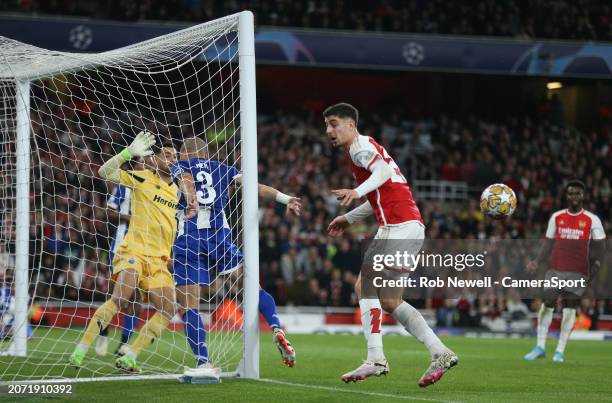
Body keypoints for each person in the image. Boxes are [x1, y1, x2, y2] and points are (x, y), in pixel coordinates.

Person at [324, 103, 457, 387]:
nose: (329, 131)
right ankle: (440, 351)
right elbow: (382, 195)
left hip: (397, 228)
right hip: (409, 227)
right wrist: (348, 217)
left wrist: (356, 191)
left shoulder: (360, 149)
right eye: (327, 126)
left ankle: (375, 359)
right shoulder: (366, 147)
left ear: (351, 124)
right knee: (389, 300)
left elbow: (382, 174)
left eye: (334, 124)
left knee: (364, 286)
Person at [171, 137, 301, 378]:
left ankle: (204, 363)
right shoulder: (222, 168)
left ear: (185, 154)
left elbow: (186, 181)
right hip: (221, 239)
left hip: (189, 239)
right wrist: (285, 199)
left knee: (188, 305)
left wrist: (191, 199)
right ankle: (275, 325)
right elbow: (256, 187)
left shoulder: (180, 166)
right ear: (205, 154)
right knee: (252, 289)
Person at [69, 131, 193, 372]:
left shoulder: (178, 192)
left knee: (168, 309)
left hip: (159, 260)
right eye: (166, 155)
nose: (171, 159)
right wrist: (127, 153)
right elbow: (104, 172)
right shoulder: (141, 178)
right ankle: (81, 350)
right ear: (154, 159)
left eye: (174, 156)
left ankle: (130, 356)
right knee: (120, 299)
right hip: (135, 250)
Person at [524, 179, 606, 363]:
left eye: (577, 193)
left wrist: (595, 270)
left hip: (578, 272)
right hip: (556, 269)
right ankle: (540, 346)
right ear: (566, 196)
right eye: (570, 193)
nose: (574, 196)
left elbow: (601, 248)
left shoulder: (592, 220)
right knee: (548, 301)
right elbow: (548, 243)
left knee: (569, 308)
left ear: (583, 196)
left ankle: (559, 351)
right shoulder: (557, 217)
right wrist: (537, 261)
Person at [95, 177, 141, 357]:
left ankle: (124, 343)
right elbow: (107, 212)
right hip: (122, 245)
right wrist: (131, 218)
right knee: (115, 294)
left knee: (136, 297)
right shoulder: (124, 186)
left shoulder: (154, 186)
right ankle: (104, 332)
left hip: (144, 248)